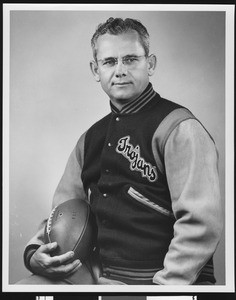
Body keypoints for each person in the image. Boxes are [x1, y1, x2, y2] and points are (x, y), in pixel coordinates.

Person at [17, 17, 223, 285]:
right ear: (95, 70)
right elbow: (63, 211)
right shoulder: (90, 139)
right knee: (24, 290)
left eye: (131, 59)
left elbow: (200, 225)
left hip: (160, 279)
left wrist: (166, 288)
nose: (120, 70)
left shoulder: (179, 128)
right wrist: (35, 253)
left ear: (150, 64)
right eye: (110, 61)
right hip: (97, 274)